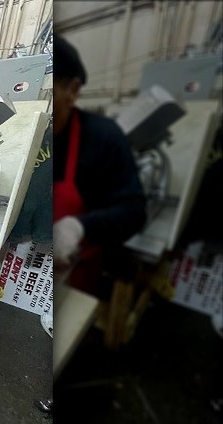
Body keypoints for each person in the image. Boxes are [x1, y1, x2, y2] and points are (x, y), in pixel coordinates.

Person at [52, 34, 147, 294]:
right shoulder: (35, 135)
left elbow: (134, 211)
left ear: (72, 90)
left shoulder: (102, 137)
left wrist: (79, 226)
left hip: (75, 274)